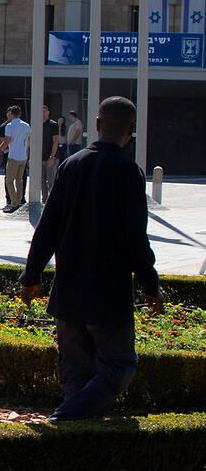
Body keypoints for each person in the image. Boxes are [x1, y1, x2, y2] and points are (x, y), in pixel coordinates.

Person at [19, 96, 162, 422]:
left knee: (76, 373)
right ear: (131, 131)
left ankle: (72, 435)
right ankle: (64, 420)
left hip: (69, 292)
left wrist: (31, 276)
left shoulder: (71, 165)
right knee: (121, 364)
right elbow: (137, 240)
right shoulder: (129, 172)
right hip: (108, 295)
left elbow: (46, 229)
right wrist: (151, 286)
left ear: (96, 125)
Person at [0, 105, 30, 213]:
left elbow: (7, 141)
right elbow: (28, 141)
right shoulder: (26, 125)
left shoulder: (9, 126)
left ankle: (14, 203)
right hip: (23, 156)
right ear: (20, 114)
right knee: (19, 180)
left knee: (9, 180)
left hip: (13, 156)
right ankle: (20, 200)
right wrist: (27, 154)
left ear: (11, 114)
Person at [38, 105, 60, 202]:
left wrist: (52, 157)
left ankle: (53, 201)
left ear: (48, 112)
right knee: (41, 181)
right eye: (41, 112)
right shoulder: (38, 124)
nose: (42, 114)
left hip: (50, 158)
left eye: (44, 111)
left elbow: (56, 141)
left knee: (51, 181)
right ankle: (44, 200)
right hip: (40, 157)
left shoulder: (53, 124)